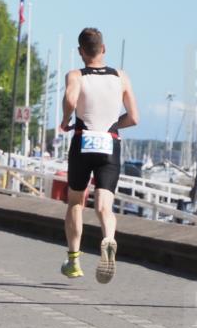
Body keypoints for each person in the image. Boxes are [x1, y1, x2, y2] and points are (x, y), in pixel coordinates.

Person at [59, 28, 138, 283]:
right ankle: (109, 239)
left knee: (76, 202)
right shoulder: (121, 76)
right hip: (109, 143)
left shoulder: (76, 75)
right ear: (103, 49)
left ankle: (73, 260)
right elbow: (134, 118)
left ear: (80, 51)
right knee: (104, 205)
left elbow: (70, 100)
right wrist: (113, 126)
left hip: (83, 140)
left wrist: (65, 120)